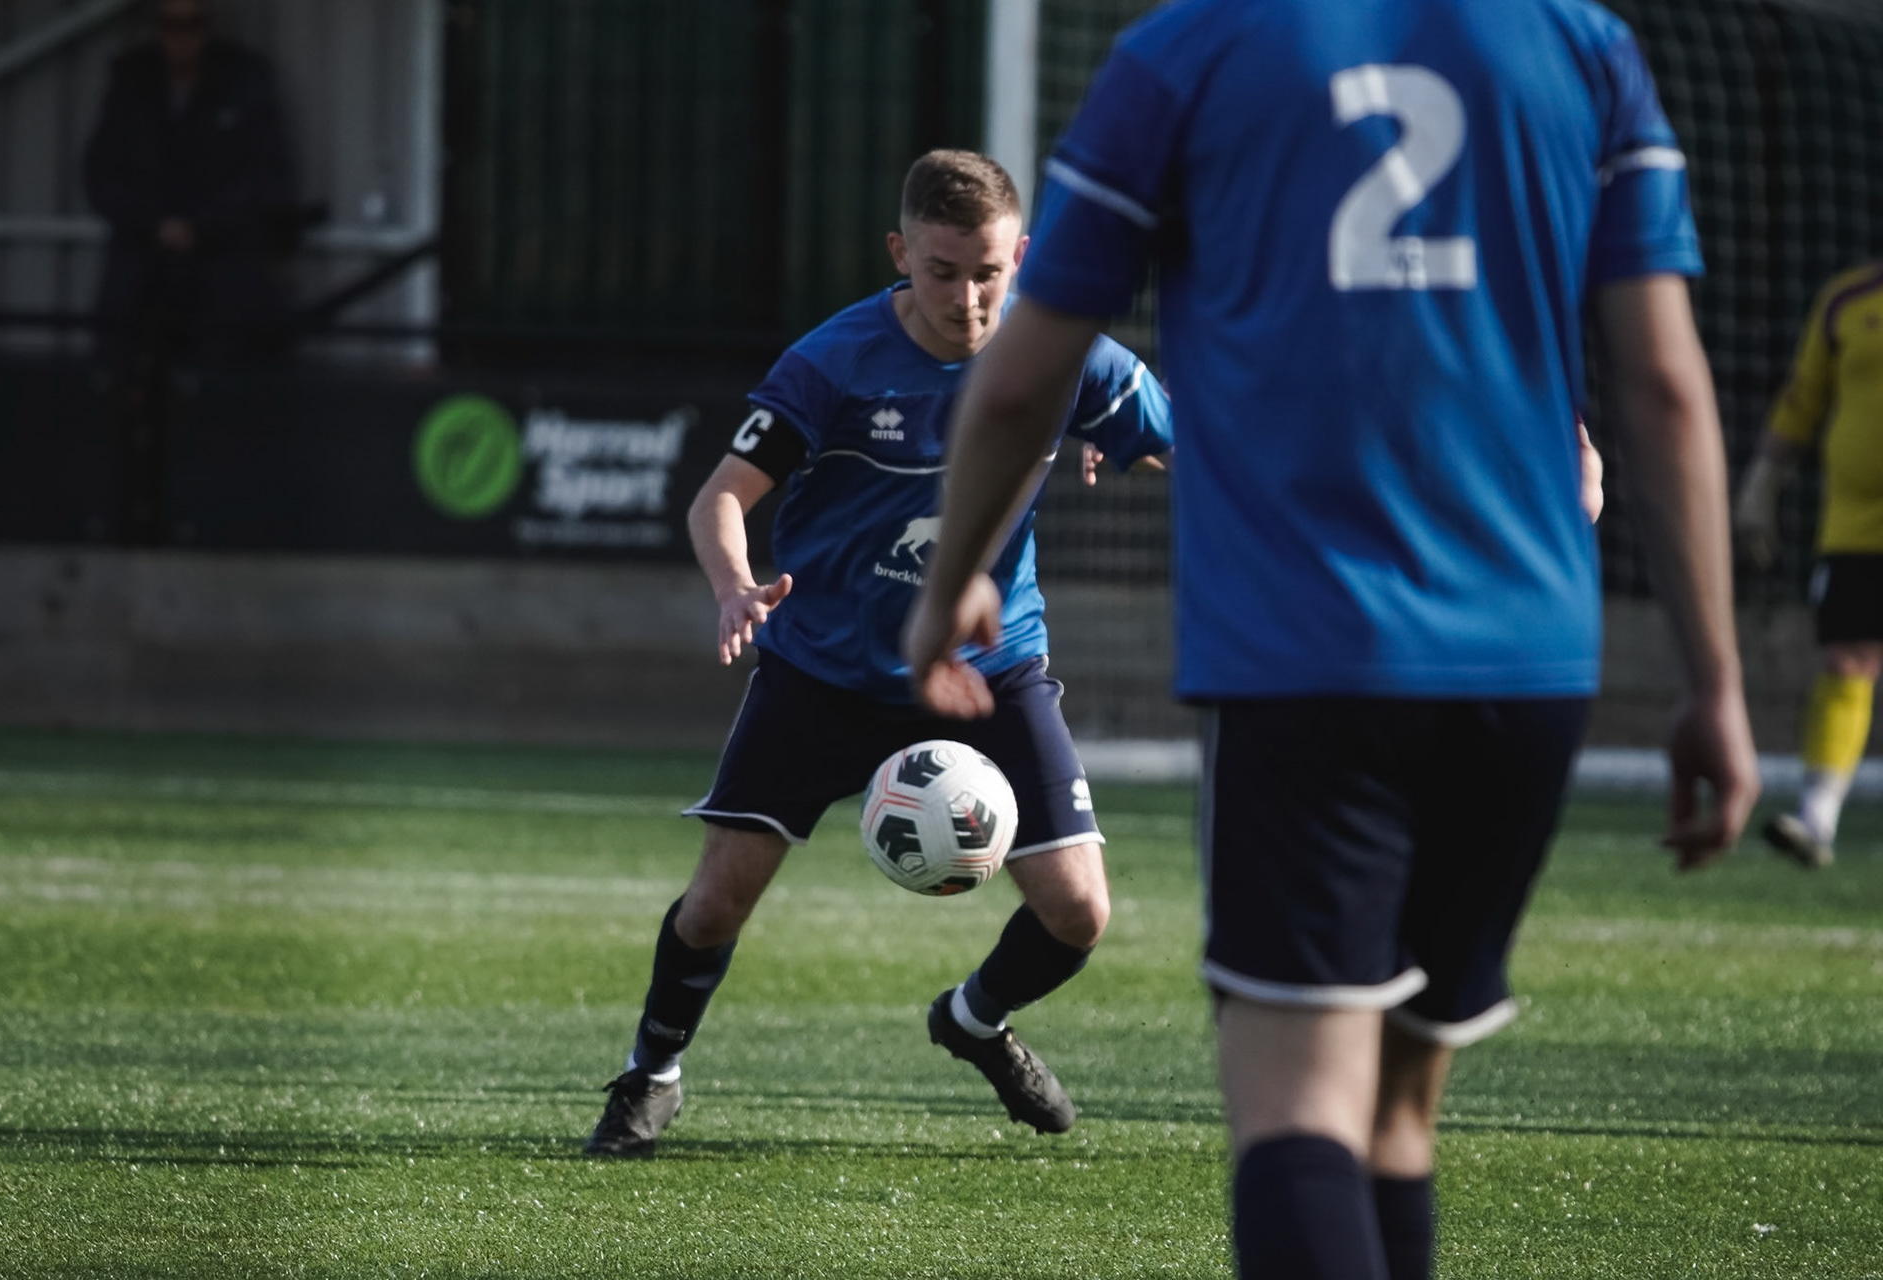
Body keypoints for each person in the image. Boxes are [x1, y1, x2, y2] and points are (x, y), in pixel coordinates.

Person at [906, 4, 1759, 1278]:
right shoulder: (1579, 42)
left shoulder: (1189, 50)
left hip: (1303, 652)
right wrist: (1715, 679)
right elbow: (1665, 385)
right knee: (1397, 1112)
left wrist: (948, 584)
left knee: (1301, 1106)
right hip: (1527, 656)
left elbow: (1026, 373)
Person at [582, 149, 1173, 1159]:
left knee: (1079, 910)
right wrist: (734, 585)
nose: (968, 298)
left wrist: (1118, 433)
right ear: (901, 254)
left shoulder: (1069, 355)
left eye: (989, 273)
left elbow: (1180, 442)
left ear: (1022, 255)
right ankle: (653, 1072)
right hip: (826, 670)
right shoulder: (834, 363)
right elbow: (721, 496)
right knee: (717, 901)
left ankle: (974, 1020)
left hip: (989, 665)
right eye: (943, 271)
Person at [1734, 260, 1883, 868]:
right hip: (1855, 525)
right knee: (1847, 659)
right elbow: (1801, 399)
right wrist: (1761, 485)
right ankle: (1817, 819)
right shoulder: (1846, 299)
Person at [84, 0, 294, 367]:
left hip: (221, 255)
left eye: (192, 26)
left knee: (228, 356)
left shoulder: (243, 78)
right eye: (170, 26)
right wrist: (155, 224)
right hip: (144, 254)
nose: (181, 38)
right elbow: (101, 173)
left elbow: (267, 174)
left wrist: (201, 225)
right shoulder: (132, 78)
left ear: (208, 28)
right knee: (120, 352)